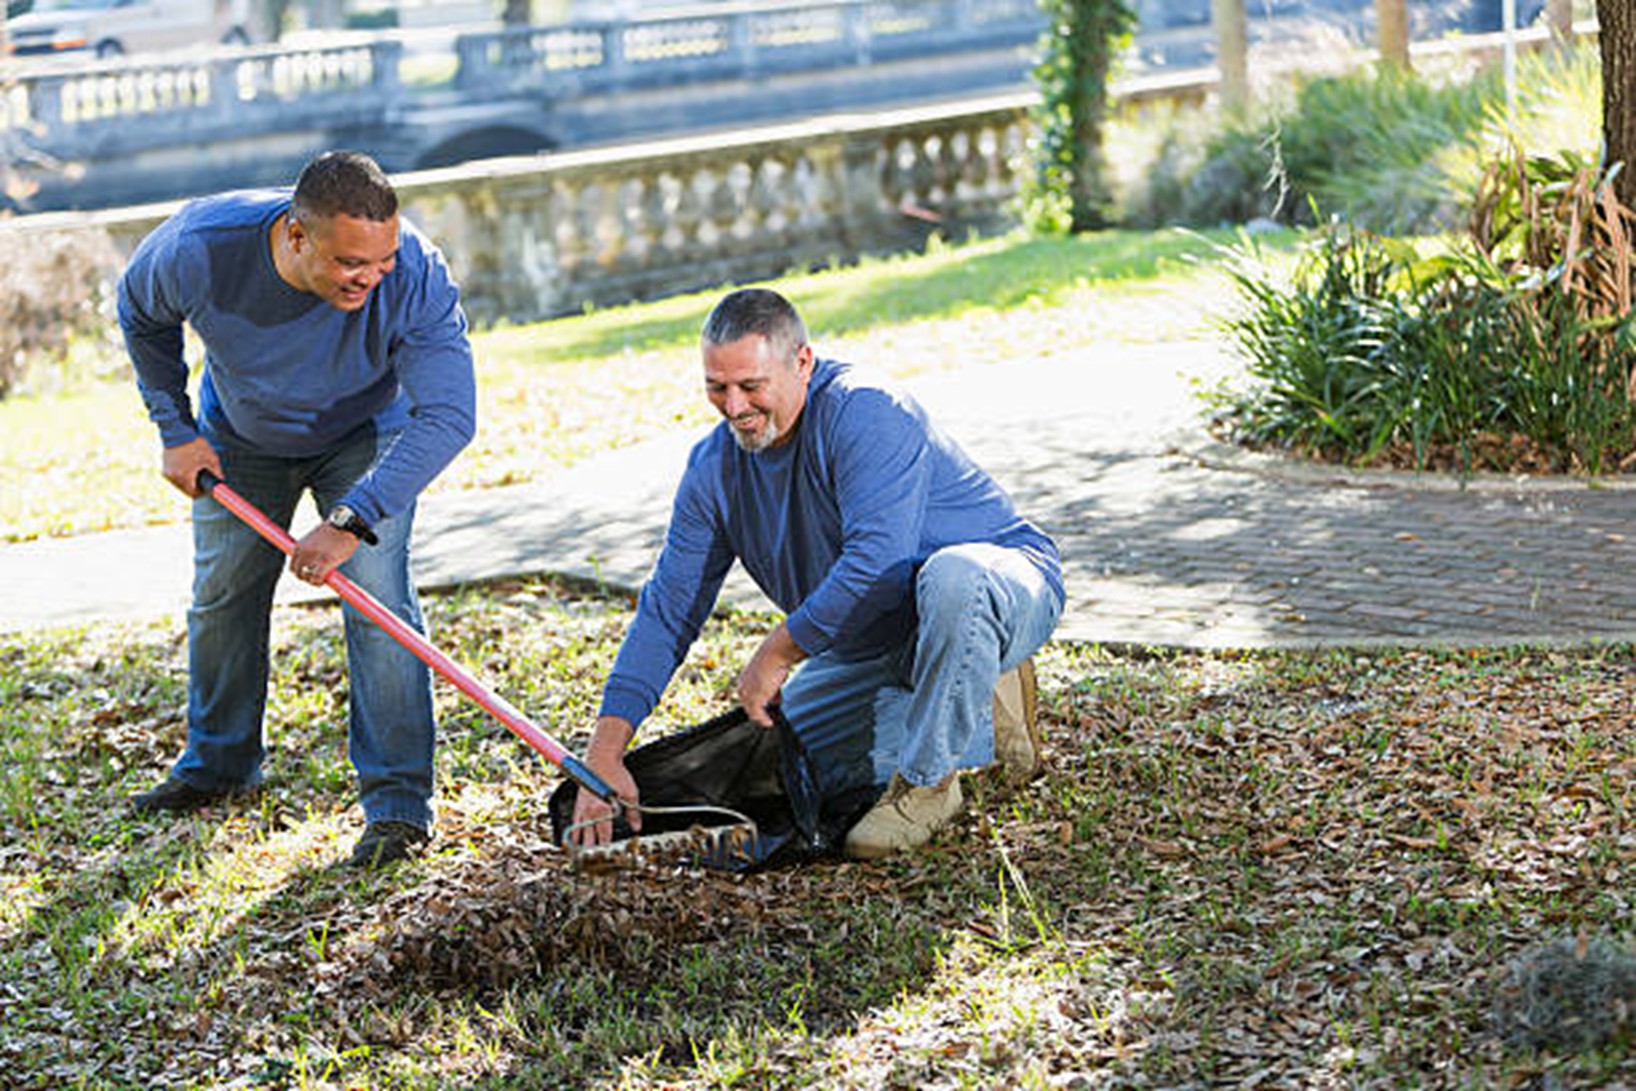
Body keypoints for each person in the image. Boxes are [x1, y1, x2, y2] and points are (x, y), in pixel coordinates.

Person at [571, 287, 1064, 859]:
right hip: (868, 644)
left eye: (751, 386)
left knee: (955, 576)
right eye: (717, 387)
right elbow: (669, 608)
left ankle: (928, 784)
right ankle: (982, 710)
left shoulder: (866, 410)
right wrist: (605, 749)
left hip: (996, 588)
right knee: (790, 772)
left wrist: (778, 650)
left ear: (802, 362)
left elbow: (878, 560)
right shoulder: (713, 470)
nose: (734, 407)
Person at [119, 150, 477, 869]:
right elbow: (140, 311)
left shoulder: (414, 272)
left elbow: (450, 415)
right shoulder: (200, 248)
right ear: (295, 236)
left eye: (381, 261)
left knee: (378, 600)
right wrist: (175, 429)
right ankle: (219, 763)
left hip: (370, 435)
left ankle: (399, 805)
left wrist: (352, 518)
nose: (371, 279)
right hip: (241, 437)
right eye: (351, 263)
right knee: (223, 594)